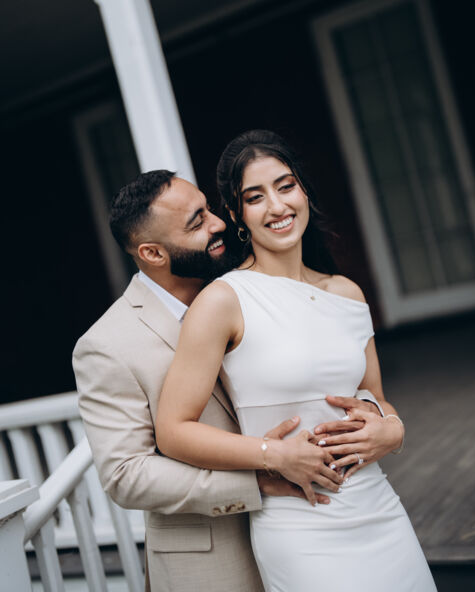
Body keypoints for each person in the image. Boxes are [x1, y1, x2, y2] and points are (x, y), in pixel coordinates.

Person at [73, 170, 388, 592]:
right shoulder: (107, 345)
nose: (219, 223)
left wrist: (381, 418)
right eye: (197, 222)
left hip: (314, 530)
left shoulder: (251, 289)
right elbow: (126, 474)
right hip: (215, 561)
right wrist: (257, 477)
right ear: (152, 253)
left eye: (208, 209)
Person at [157, 130, 437, 592]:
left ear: (304, 191)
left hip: (379, 508)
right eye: (255, 197)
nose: (277, 206)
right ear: (236, 213)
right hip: (301, 524)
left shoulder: (348, 293)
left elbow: (375, 399)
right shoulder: (224, 301)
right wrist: (274, 455)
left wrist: (393, 430)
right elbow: (173, 430)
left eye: (286, 186)